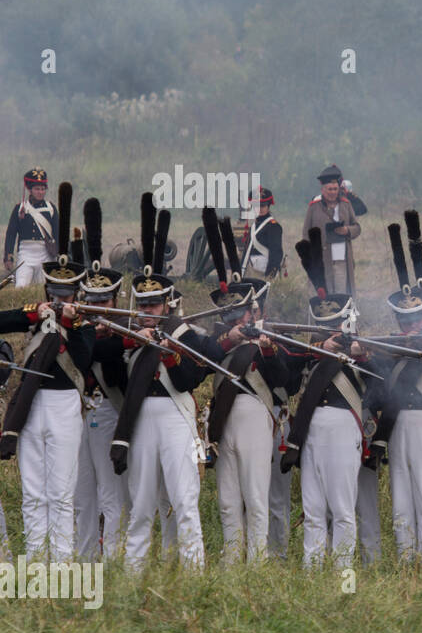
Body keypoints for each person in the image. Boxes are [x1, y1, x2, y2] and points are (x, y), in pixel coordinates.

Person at [107, 196, 223, 570]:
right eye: (143, 304)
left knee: (185, 504)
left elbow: (194, 375)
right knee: (141, 507)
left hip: (176, 415)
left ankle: (192, 577)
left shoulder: (186, 335)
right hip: (140, 420)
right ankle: (132, 577)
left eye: (154, 305)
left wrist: (169, 350)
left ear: (168, 303)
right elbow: (110, 372)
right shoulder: (126, 333)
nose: (147, 311)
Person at [0, 181, 93, 562]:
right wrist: (34, 314)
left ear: (75, 294)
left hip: (65, 404)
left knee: (61, 492)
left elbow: (85, 362)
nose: (59, 300)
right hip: (32, 404)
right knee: (33, 493)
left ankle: (63, 563)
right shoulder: (37, 314)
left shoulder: (84, 324)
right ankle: (36, 561)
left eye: (65, 295)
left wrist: (71, 325)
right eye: (53, 293)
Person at [279, 228, 378, 568]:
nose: (327, 330)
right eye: (323, 325)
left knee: (342, 510)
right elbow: (288, 369)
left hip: (342, 428)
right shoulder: (309, 348)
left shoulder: (359, 348)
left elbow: (378, 381)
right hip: (311, 432)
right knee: (313, 509)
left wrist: (357, 353)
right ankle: (311, 572)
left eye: (332, 324)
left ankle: (342, 573)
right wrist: (321, 348)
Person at [201, 208, 289, 564]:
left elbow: (286, 380)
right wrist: (231, 336)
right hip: (224, 417)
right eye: (231, 316)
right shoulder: (219, 336)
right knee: (227, 499)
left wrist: (267, 351)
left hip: (255, 413)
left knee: (255, 497)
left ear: (253, 312)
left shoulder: (268, 337)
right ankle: (232, 559)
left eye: (240, 315)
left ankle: (258, 561)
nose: (236, 321)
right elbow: (204, 353)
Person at [369, 211, 422, 561]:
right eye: (404, 320)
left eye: (416, 318)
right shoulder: (392, 345)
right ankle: (407, 563)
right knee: (401, 504)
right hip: (398, 425)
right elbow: (378, 388)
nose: (410, 325)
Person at [73, 198, 128, 560]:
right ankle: (85, 559)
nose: (97, 307)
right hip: (77, 414)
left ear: (113, 300)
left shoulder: (124, 333)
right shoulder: (78, 331)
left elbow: (111, 363)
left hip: (108, 412)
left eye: (102, 302)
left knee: (111, 495)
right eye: (90, 300)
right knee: (82, 496)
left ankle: (116, 562)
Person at [303, 164, 360, 296]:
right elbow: (306, 234)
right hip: (321, 260)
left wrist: (347, 230)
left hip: (341, 260)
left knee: (341, 296)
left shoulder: (346, 205)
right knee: (323, 298)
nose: (333, 192)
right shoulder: (313, 207)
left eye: (335, 189)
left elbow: (357, 227)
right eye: (329, 189)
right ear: (323, 190)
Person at [4, 168, 58, 287]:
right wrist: (8, 256)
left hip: (45, 252)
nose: (40, 192)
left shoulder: (51, 208)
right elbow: (11, 234)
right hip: (25, 252)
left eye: (43, 189)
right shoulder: (19, 208)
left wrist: (60, 253)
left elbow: (57, 233)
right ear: (30, 190)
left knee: (44, 288)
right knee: (21, 286)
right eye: (37, 189)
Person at [240, 186, 284, 278]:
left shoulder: (273, 226)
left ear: (268, 206)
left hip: (264, 272)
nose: (259, 209)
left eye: (263, 205)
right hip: (251, 270)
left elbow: (276, 254)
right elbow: (246, 252)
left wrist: (269, 276)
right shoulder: (253, 226)